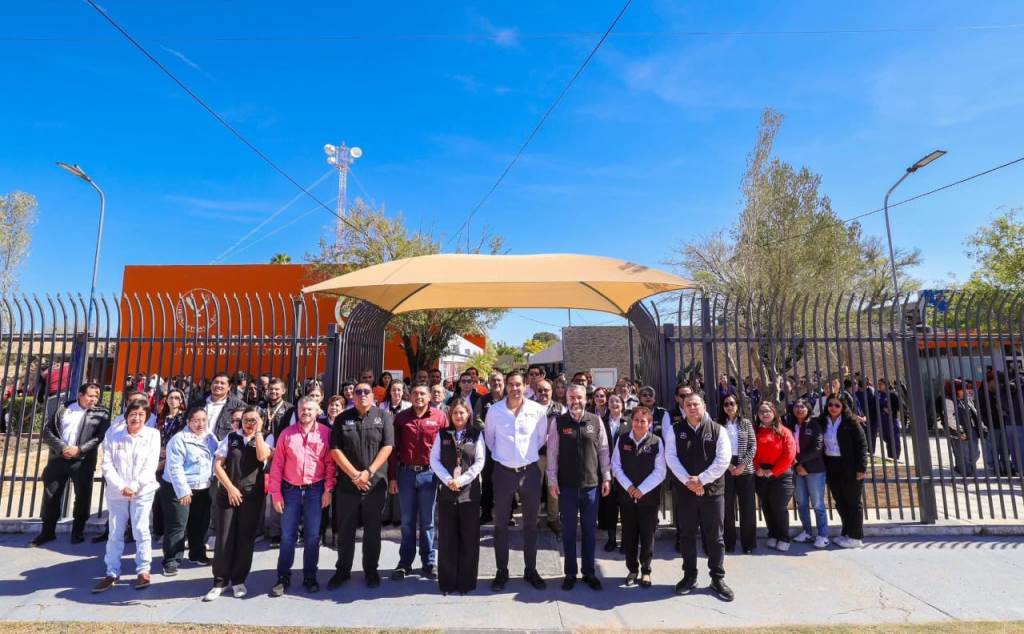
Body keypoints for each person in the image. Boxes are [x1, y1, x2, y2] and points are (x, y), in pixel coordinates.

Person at [663, 392, 734, 602]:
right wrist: (690, 482)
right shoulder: (675, 430)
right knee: (687, 535)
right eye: (688, 405)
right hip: (686, 492)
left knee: (715, 537)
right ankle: (689, 576)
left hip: (713, 493)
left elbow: (723, 460)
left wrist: (701, 480)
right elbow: (671, 457)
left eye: (695, 404)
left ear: (703, 406)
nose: (692, 407)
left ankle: (717, 578)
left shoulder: (718, 430)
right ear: (683, 408)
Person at [484, 369, 550, 591]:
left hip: (529, 472)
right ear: (505, 386)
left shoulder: (537, 410)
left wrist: (523, 456)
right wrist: (507, 457)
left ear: (525, 386)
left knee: (530, 525)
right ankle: (502, 571)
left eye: (518, 384)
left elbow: (541, 438)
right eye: (510, 384)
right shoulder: (495, 411)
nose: (514, 388)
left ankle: (530, 570)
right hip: (503, 472)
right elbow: (490, 440)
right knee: (500, 525)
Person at [267, 396, 337, 596]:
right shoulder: (286, 434)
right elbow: (277, 466)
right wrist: (276, 494)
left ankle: (310, 576)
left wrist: (328, 490)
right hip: (290, 491)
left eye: (309, 409)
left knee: (313, 536)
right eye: (302, 409)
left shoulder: (325, 434)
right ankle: (283, 577)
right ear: (297, 411)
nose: (305, 412)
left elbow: (330, 465)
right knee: (287, 536)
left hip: (315, 490)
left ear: (317, 411)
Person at [547, 384, 611, 591]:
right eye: (571, 397)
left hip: (591, 486)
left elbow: (603, 451)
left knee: (589, 532)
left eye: (579, 397)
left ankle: (589, 572)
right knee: (568, 532)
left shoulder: (596, 421)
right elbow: (552, 453)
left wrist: (606, 477)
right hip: (566, 487)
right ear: (566, 400)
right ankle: (570, 573)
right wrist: (552, 480)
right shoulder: (558, 422)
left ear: (586, 399)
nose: (575, 401)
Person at [329, 382, 394, 589]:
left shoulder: (384, 417)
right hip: (348, 485)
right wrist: (355, 475)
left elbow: (388, 447)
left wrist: (368, 473)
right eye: (358, 392)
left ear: (373, 395)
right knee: (345, 530)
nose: (362, 394)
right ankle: (342, 571)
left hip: (375, 485)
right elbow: (335, 449)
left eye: (367, 392)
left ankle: (371, 571)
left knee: (372, 531)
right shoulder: (342, 418)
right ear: (353, 396)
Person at [205, 406, 273, 600]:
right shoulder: (231, 438)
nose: (249, 423)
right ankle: (220, 581)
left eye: (253, 420)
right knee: (224, 537)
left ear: (261, 421)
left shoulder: (266, 438)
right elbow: (218, 465)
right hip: (228, 494)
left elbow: (262, 456)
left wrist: (258, 432)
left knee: (245, 538)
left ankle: (238, 580)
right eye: (246, 420)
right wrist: (230, 488)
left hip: (251, 497)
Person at [93, 401, 160, 592]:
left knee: (140, 529)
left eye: (141, 414)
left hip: (142, 491)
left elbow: (150, 464)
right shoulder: (113, 434)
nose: (136, 418)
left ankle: (143, 570)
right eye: (133, 414)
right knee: (115, 531)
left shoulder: (153, 435)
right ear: (126, 416)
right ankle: (112, 571)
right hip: (117, 492)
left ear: (146, 417)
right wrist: (121, 487)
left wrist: (135, 486)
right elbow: (107, 464)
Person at [33, 381, 110, 547]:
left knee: (82, 496)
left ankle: (78, 531)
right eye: (90, 395)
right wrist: (62, 448)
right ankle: (47, 532)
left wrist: (79, 450)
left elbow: (100, 437)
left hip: (83, 461)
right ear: (80, 395)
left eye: (96, 396)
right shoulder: (64, 408)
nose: (94, 399)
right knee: (51, 495)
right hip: (58, 458)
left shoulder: (102, 413)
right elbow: (48, 430)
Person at [390, 383, 447, 581]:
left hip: (429, 474)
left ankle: (429, 562)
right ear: (410, 396)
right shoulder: (401, 418)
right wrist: (392, 477)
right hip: (406, 474)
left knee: (427, 522)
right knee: (407, 522)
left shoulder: (439, 417)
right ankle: (405, 563)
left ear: (430, 396)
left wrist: (445, 476)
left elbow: (447, 448)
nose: (419, 397)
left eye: (423, 393)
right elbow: (393, 450)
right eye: (415, 393)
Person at [430, 397, 486, 595]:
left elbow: (479, 462)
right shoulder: (443, 434)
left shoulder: (476, 434)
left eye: (462, 412)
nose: (458, 416)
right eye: (455, 413)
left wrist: (461, 480)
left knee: (469, 539)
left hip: (469, 494)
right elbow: (434, 460)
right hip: (447, 493)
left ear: (468, 414)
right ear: (450, 415)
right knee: (447, 539)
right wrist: (448, 480)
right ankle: (447, 583)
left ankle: (466, 583)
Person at [611, 406, 666, 587]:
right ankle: (632, 569)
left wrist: (641, 489)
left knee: (647, 536)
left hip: (648, 498)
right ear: (631, 421)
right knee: (629, 535)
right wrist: (629, 487)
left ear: (649, 423)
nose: (639, 424)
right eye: (636, 420)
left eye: (643, 421)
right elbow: (615, 466)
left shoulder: (656, 442)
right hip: (627, 497)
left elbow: (660, 471)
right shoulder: (622, 439)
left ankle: (646, 571)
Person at [161, 406, 219, 576]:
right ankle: (171, 560)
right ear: (188, 422)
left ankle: (197, 553)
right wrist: (183, 491)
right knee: (178, 525)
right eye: (196, 420)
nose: (200, 424)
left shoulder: (210, 437)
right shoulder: (179, 440)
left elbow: (216, 458)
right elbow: (175, 468)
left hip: (202, 487)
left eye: (203, 420)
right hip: (178, 487)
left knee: (200, 523)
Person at [823, 395, 869, 548]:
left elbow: (862, 445)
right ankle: (846, 532)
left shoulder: (851, 422)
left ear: (843, 407)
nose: (833, 408)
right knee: (840, 501)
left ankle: (856, 537)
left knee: (852, 501)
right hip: (831, 464)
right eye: (830, 404)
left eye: (837, 405)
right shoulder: (823, 421)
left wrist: (861, 468)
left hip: (849, 465)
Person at [753, 401, 796, 552]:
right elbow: (751, 452)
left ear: (774, 413)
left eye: (767, 411)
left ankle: (783, 537)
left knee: (778, 506)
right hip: (761, 474)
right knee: (766, 506)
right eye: (761, 412)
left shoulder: (784, 431)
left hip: (781, 474)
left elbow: (789, 455)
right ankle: (773, 534)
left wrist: (773, 471)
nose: (764, 414)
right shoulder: (756, 431)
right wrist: (758, 468)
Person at [718, 394, 756, 554]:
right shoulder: (719, 425)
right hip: (725, 468)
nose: (729, 406)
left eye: (732, 403)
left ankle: (748, 544)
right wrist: (728, 466)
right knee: (727, 507)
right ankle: (729, 542)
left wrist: (742, 465)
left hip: (745, 468)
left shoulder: (746, 423)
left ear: (737, 405)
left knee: (747, 507)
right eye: (726, 404)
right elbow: (716, 448)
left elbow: (753, 446)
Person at [790, 399, 828, 548]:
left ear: (808, 409)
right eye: (796, 406)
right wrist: (797, 465)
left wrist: (798, 462)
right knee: (801, 502)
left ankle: (823, 535)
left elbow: (817, 448)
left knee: (817, 503)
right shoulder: (791, 425)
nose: (799, 409)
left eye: (802, 407)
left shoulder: (814, 424)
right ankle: (807, 532)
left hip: (814, 469)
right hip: (797, 469)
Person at [152, 388, 188, 538]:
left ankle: (169, 531)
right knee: (157, 496)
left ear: (181, 401)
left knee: (170, 498)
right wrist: (158, 450)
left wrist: (168, 451)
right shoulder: (161, 418)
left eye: (177, 398)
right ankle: (158, 530)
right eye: (171, 398)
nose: (173, 400)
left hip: (173, 459)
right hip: (157, 458)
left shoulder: (183, 419)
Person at [534, 379, 565, 533]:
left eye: (546, 390)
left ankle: (553, 519)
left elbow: (565, 428)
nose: (543, 393)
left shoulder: (560, 408)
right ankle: (533, 519)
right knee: (534, 488)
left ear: (551, 391)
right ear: (535, 392)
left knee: (553, 487)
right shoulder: (529, 407)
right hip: (535, 455)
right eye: (540, 390)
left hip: (554, 454)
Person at [475, 370, 505, 525]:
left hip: (506, 445)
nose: (496, 383)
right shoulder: (483, 399)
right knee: (487, 479)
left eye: (499, 380)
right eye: (493, 381)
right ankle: (486, 513)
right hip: (488, 445)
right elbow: (476, 419)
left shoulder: (509, 398)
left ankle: (507, 514)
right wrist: (490, 430)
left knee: (506, 480)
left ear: (503, 382)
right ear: (489, 383)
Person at [382, 380, 411, 527]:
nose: (396, 393)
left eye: (399, 390)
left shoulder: (409, 407)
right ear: (389, 391)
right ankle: (385, 515)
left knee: (399, 480)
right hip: (385, 447)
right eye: (394, 390)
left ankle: (397, 516)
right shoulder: (381, 406)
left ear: (403, 391)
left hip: (401, 447)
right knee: (386, 479)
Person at [943, 380, 986, 477]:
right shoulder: (949, 401)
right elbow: (950, 418)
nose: (966, 391)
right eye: (962, 389)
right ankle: (966, 473)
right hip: (960, 431)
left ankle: (967, 469)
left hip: (972, 429)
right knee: (964, 454)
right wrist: (960, 430)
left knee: (975, 453)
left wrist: (981, 425)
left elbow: (975, 413)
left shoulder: (967, 399)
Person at [193, 372, 245, 441]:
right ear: (211, 385)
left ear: (229, 387)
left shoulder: (238, 405)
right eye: (216, 382)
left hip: (223, 445)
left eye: (222, 383)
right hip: (196, 442)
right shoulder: (198, 403)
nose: (218, 385)